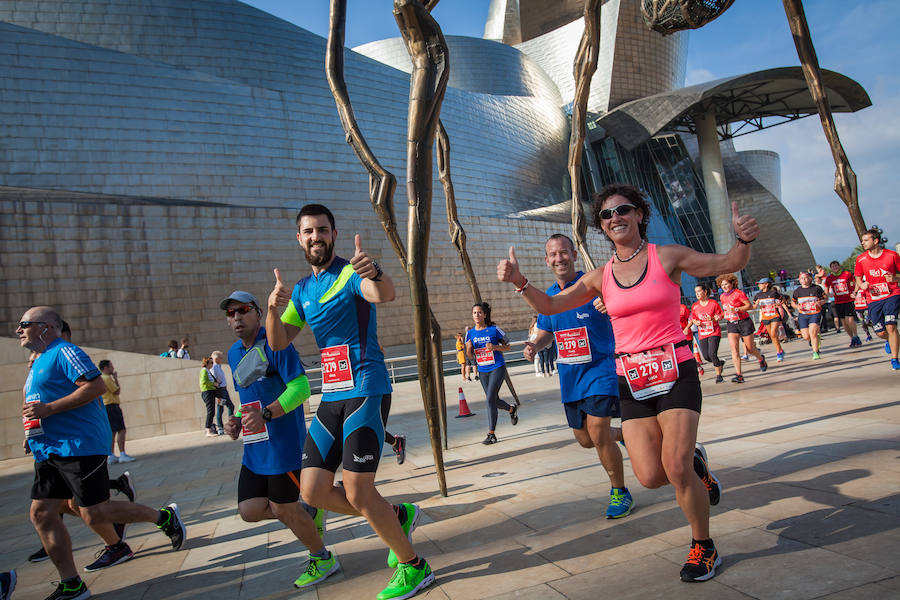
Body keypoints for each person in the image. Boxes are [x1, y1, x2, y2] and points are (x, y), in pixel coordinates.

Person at [498, 183, 737, 582]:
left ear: (640, 214)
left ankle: (703, 545)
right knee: (651, 475)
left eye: (623, 210)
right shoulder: (598, 279)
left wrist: (742, 240)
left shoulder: (667, 256)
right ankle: (698, 464)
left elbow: (724, 262)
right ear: (602, 228)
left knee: (673, 467)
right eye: (607, 215)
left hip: (672, 368)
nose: (615, 218)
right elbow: (551, 308)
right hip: (631, 382)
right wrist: (520, 283)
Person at [265, 204, 433, 600]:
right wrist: (272, 310)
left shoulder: (348, 273)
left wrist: (371, 271)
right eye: (308, 232)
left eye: (322, 230)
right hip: (332, 395)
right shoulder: (303, 290)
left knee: (358, 490)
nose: (315, 237)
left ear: (334, 233)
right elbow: (277, 342)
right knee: (312, 491)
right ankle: (396, 516)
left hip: (366, 388)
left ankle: (414, 566)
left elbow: (384, 294)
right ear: (299, 238)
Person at [17, 307, 186, 599]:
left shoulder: (64, 351)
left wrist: (48, 410)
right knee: (42, 513)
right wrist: (31, 433)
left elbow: (94, 386)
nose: (18, 330)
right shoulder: (38, 362)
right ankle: (72, 583)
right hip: (47, 449)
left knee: (94, 513)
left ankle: (163, 517)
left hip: (78, 446)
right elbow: (36, 402)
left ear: (45, 327)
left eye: (24, 324)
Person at [218, 291, 338, 589]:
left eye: (243, 310)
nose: (236, 317)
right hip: (255, 448)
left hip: (284, 446)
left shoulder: (276, 342)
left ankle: (322, 557)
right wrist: (235, 419)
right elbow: (246, 395)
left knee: (284, 508)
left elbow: (301, 389)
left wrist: (267, 414)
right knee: (250, 510)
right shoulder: (234, 353)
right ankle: (308, 512)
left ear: (258, 313)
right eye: (230, 313)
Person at [524, 233, 633, 518]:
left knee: (598, 433)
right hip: (571, 379)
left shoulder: (594, 286)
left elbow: (627, 311)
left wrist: (611, 306)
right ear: (547, 260)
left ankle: (620, 491)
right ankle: (630, 435)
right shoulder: (547, 298)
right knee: (586, 439)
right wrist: (536, 344)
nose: (559, 258)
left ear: (574, 254)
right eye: (553, 254)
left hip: (601, 370)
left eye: (564, 252)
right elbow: (548, 329)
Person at [465, 302, 518, 444]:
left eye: (479, 312)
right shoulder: (469, 333)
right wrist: (469, 348)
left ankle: (491, 434)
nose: (477, 315)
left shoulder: (494, 330)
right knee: (494, 400)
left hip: (497, 367)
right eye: (474, 313)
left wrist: (494, 347)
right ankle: (511, 409)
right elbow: (470, 357)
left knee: (489, 399)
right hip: (483, 370)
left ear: (485, 315)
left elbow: (508, 347)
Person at [854, 228, 900, 370]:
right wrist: (862, 284)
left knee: (891, 325)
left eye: (866, 240)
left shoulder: (892, 256)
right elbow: (858, 277)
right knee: (880, 332)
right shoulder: (861, 259)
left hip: (892, 294)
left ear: (876, 241)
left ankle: (894, 359)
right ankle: (890, 340)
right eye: (862, 241)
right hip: (873, 298)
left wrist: (895, 278)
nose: (863, 243)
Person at [717, 273, 767, 383]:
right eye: (722, 285)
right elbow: (725, 310)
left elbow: (749, 306)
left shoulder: (738, 293)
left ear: (732, 283)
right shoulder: (722, 296)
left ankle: (760, 358)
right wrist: (720, 316)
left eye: (726, 284)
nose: (724, 286)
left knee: (750, 349)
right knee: (734, 350)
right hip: (731, 323)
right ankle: (739, 375)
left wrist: (737, 309)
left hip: (744, 322)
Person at [99, 360, 134, 464]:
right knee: (121, 430)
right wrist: (116, 379)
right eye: (111, 366)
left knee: (112, 432)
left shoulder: (101, 378)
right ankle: (122, 454)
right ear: (105, 368)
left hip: (107, 407)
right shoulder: (106, 378)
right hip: (112, 406)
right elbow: (117, 391)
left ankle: (111, 455)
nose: (112, 368)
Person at [690, 284, 725, 382]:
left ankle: (719, 376)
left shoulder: (713, 303)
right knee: (706, 356)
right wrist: (696, 322)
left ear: (705, 292)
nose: (697, 294)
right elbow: (694, 318)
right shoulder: (695, 306)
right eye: (696, 292)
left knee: (712, 354)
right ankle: (719, 363)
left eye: (699, 291)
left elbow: (721, 314)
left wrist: (716, 318)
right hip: (702, 333)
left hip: (714, 332)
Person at [825, 260, 862, 347]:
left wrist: (854, 292)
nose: (835, 267)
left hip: (848, 300)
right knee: (844, 322)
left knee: (850, 319)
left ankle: (856, 335)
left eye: (836, 265)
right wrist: (828, 295)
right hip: (838, 302)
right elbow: (826, 288)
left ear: (839, 266)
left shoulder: (847, 274)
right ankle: (852, 338)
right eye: (833, 266)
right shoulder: (829, 278)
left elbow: (854, 282)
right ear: (831, 268)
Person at [791, 271, 827, 359]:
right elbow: (793, 302)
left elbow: (825, 298)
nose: (804, 280)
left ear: (810, 278)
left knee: (813, 333)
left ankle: (816, 352)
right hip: (803, 315)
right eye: (802, 278)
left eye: (806, 277)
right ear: (799, 280)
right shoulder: (797, 291)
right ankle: (813, 339)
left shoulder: (816, 288)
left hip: (815, 313)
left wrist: (820, 302)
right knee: (806, 336)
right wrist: (797, 306)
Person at [753, 278, 786, 362]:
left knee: (773, 333)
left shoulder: (773, 293)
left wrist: (778, 304)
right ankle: (780, 350)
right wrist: (756, 304)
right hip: (765, 317)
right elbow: (753, 307)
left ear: (766, 284)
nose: (759, 285)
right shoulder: (757, 295)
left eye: (760, 284)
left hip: (774, 315)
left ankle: (779, 353)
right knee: (772, 336)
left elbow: (783, 299)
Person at [209, 351, 236, 434]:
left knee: (230, 406)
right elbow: (213, 379)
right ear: (217, 359)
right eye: (221, 358)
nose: (222, 359)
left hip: (224, 390)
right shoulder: (214, 367)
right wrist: (217, 390)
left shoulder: (218, 366)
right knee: (220, 409)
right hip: (220, 390)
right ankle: (220, 427)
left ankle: (231, 423)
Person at [199, 356, 220, 437]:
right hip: (207, 392)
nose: (212, 364)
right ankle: (208, 429)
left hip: (210, 391)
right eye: (211, 362)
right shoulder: (204, 370)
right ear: (206, 363)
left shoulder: (207, 371)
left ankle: (210, 428)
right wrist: (214, 384)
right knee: (210, 411)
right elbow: (204, 382)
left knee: (212, 411)